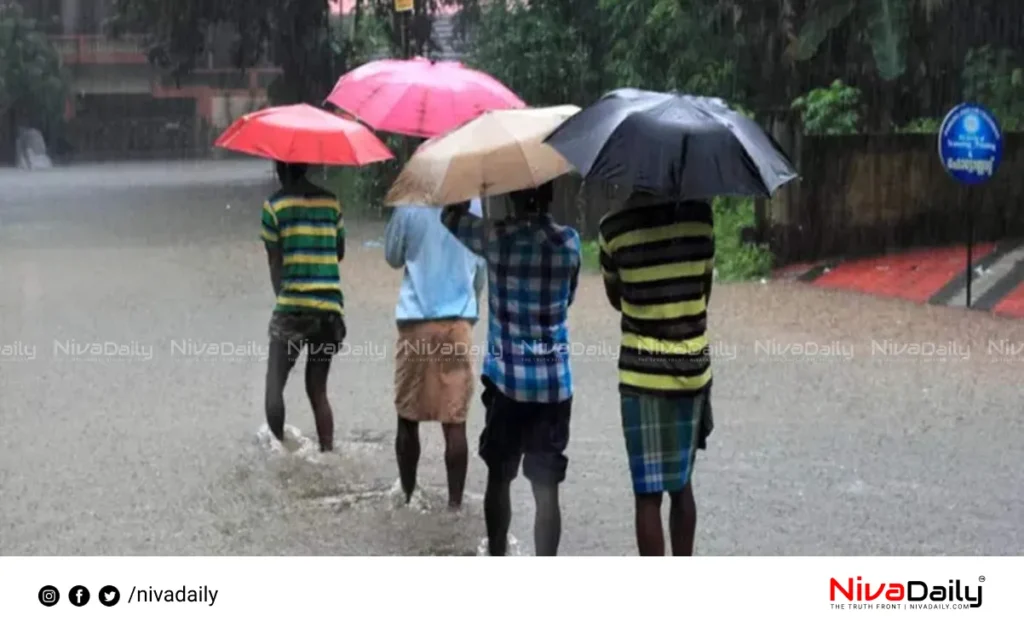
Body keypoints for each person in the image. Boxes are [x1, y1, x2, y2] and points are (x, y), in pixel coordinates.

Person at [441, 184, 581, 556]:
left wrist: (465, 175)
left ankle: (497, 555)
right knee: (546, 488)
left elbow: (450, 217)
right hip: (554, 385)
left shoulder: (494, 238)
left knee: (499, 478)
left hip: (507, 385)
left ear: (512, 197)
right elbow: (568, 298)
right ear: (552, 194)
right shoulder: (570, 243)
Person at [598, 192, 715, 556]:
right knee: (682, 485)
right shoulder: (700, 218)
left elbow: (616, 297)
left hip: (642, 376)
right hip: (691, 371)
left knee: (647, 493)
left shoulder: (612, 229)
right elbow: (703, 291)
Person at [384, 200, 487, 509]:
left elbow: (392, 256)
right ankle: (454, 507)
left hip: (415, 324)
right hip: (457, 324)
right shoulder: (478, 207)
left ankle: (407, 494)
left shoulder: (410, 204)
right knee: (455, 422)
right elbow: (481, 270)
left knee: (407, 416)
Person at [261, 161, 346, 453]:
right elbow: (339, 252)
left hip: (292, 309)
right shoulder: (331, 202)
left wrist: (282, 298)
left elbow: (275, 261)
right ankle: (327, 453)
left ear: (278, 169)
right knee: (318, 389)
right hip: (329, 312)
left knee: (274, 388)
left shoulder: (274, 207)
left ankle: (282, 456)